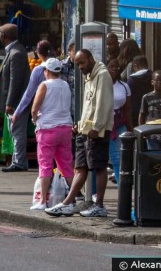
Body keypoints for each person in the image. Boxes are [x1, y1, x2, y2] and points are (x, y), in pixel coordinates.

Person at [45, 49, 113, 218]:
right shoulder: (88, 76)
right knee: (80, 167)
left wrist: (97, 128)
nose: (80, 67)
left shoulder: (102, 75)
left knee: (99, 167)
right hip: (85, 130)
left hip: (97, 131)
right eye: (77, 64)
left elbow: (103, 103)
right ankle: (67, 203)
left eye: (82, 62)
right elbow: (89, 105)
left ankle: (99, 206)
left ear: (91, 59)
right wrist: (80, 125)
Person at [30, 58, 74, 210]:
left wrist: (35, 120)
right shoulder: (66, 85)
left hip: (47, 129)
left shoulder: (45, 85)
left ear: (47, 71)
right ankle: (72, 199)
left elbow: (35, 109)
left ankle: (42, 201)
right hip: (65, 128)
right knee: (66, 164)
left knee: (45, 164)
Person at [0, 23, 30, 172]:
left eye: (0, 34)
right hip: (16, 101)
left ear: (4, 36)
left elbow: (15, 81)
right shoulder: (14, 51)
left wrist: (10, 102)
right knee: (14, 131)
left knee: (17, 131)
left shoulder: (16, 53)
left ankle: (19, 162)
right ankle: (18, 160)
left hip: (17, 101)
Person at [11, 40, 56, 141]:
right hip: (62, 120)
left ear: (38, 53)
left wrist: (17, 113)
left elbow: (28, 95)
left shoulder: (38, 70)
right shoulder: (61, 67)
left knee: (45, 153)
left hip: (45, 116)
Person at [107, 58, 132, 185]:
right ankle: (93, 192)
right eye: (111, 66)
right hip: (103, 125)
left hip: (119, 125)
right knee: (97, 160)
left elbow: (127, 111)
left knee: (117, 158)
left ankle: (121, 188)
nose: (114, 69)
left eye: (116, 66)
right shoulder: (101, 85)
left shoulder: (124, 86)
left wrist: (130, 128)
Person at [127, 54, 153, 127]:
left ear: (135, 66)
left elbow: (128, 96)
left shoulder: (131, 80)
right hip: (151, 110)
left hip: (136, 110)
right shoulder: (153, 76)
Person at [59, 37, 75, 118]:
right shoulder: (62, 66)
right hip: (65, 109)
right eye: (75, 51)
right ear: (69, 51)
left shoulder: (85, 67)